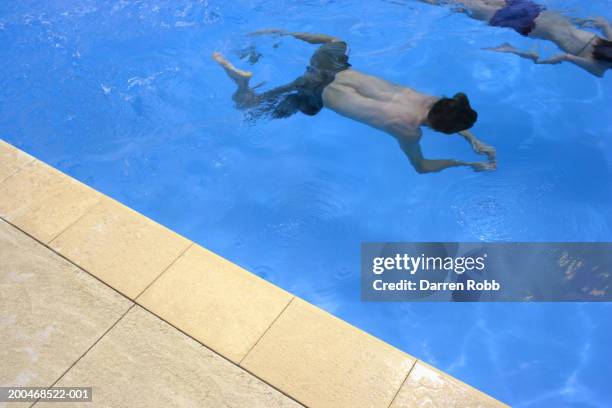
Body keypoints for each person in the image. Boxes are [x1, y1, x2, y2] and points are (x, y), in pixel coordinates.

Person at [213, 30, 496, 174]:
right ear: (441, 127)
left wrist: (472, 138)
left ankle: (279, 33)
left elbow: (446, 114)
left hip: (330, 68)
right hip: (315, 94)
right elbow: (421, 167)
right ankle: (242, 84)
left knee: (338, 40)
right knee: (249, 109)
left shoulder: (427, 99)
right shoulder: (408, 130)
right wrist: (465, 162)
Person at [418, 0, 612, 77]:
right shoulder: (598, 68)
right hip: (531, 27)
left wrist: (582, 21)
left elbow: (602, 22)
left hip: (538, 11)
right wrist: (515, 51)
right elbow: (563, 58)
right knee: (456, 4)